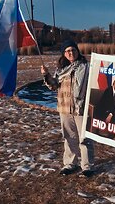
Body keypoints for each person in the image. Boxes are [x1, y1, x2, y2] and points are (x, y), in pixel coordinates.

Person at [41, 40, 95, 178]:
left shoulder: (87, 67)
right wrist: (46, 75)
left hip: (81, 108)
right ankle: (71, 163)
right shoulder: (61, 70)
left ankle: (87, 166)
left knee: (84, 138)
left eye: (73, 50)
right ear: (64, 54)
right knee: (69, 137)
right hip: (65, 108)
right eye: (68, 51)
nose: (71, 53)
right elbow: (54, 86)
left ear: (78, 51)